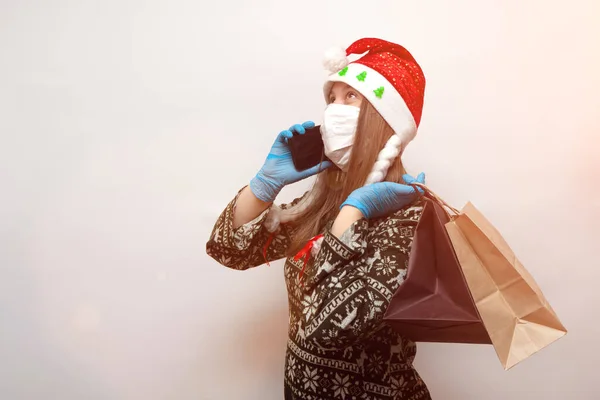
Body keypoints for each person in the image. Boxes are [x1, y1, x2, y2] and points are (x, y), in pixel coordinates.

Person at [207, 38, 432, 400]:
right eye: (332, 98)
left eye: (351, 97)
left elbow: (326, 330)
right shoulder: (323, 204)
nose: (334, 110)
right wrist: (266, 184)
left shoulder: (410, 217)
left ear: (383, 119)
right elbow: (228, 250)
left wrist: (354, 211)